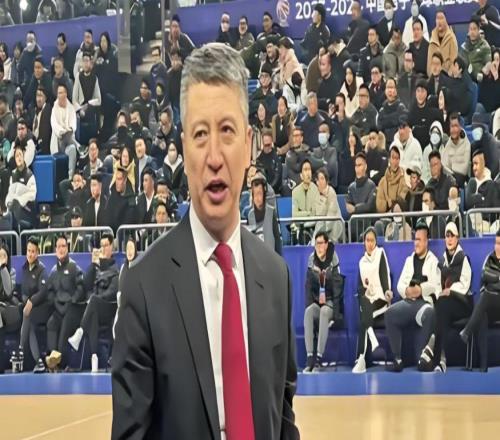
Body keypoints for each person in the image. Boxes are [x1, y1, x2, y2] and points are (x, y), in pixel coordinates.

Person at [112, 43, 299, 439]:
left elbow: (283, 419)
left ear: (248, 144)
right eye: (200, 134)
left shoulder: (276, 278)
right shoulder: (144, 287)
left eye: (227, 131)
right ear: (184, 148)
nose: (214, 156)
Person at [385, 221, 441, 372]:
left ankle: (423, 356)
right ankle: (397, 359)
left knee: (430, 313)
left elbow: (437, 287)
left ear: (426, 241)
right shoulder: (409, 260)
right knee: (390, 313)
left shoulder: (433, 261)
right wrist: (407, 291)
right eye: (415, 239)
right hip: (408, 303)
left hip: (424, 304)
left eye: (419, 240)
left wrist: (420, 290)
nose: (416, 243)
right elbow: (399, 284)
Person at [68, 233, 119, 373]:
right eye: (101, 246)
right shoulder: (96, 268)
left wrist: (96, 299)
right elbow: (86, 285)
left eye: (106, 245)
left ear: (112, 247)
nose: (103, 248)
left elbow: (113, 292)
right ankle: (94, 358)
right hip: (95, 308)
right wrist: (93, 264)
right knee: (93, 316)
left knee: (94, 301)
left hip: (109, 307)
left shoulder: (115, 269)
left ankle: (79, 332)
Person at [433, 222, 473, 372]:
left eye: (452, 236)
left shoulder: (463, 259)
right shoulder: (441, 262)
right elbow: (437, 284)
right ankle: (440, 358)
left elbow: (465, 285)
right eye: (447, 236)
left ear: (457, 238)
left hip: (462, 302)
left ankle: (437, 354)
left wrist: (450, 290)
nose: (449, 239)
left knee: (442, 306)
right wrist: (441, 293)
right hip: (446, 304)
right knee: (441, 305)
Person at [352, 228, 392, 373]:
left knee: (364, 317)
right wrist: (364, 292)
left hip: (380, 299)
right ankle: (362, 357)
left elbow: (384, 275)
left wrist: (387, 291)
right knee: (364, 305)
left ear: (375, 242)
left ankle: (360, 358)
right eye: (367, 240)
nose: (369, 243)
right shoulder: (361, 262)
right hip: (368, 300)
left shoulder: (380, 253)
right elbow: (359, 287)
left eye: (372, 240)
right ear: (364, 242)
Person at [303, 231, 344, 372]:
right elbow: (308, 286)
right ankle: (310, 358)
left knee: (324, 311)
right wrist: (310, 304)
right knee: (309, 312)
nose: (319, 247)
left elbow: (338, 287)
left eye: (321, 243)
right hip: (317, 301)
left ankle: (319, 359)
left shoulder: (333, 258)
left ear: (327, 244)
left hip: (330, 302)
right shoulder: (311, 259)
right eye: (317, 244)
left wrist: (337, 315)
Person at [460, 229, 500, 372]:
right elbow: (484, 276)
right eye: (496, 243)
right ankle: (483, 365)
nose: (497, 247)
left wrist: (493, 280)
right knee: (482, 314)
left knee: (486, 295)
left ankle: (467, 331)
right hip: (491, 303)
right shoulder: (489, 258)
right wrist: (498, 278)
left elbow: (490, 280)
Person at [45, 234, 85, 372]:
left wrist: (72, 301)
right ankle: (53, 360)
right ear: (55, 250)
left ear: (67, 248)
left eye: (63, 246)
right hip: (58, 308)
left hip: (72, 309)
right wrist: (56, 304)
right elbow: (50, 292)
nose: (61, 249)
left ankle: (60, 363)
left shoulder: (74, 267)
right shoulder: (53, 271)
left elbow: (81, 288)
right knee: (51, 323)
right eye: (59, 247)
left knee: (65, 325)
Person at [18, 237, 50, 373]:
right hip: (30, 310)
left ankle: (20, 348)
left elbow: (43, 292)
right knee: (29, 323)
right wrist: (25, 300)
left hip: (42, 308)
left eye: (33, 251)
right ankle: (39, 362)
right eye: (28, 251)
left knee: (28, 315)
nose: (30, 254)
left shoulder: (42, 269)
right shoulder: (24, 268)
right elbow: (22, 290)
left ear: (37, 253)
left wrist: (31, 301)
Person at [465, 150, 498, 234]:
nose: (474, 168)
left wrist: (478, 200)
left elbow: (495, 208)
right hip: (474, 225)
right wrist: (481, 198)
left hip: (491, 224)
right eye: (473, 164)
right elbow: (467, 203)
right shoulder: (471, 182)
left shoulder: (492, 184)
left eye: (476, 164)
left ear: (483, 164)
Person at [247, 175, 282, 255]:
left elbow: (277, 239)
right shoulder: (250, 215)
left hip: (270, 256)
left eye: (259, 194)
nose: (257, 198)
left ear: (264, 194)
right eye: (255, 194)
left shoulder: (271, 212)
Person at [346, 152, 377, 240]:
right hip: (354, 225)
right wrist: (354, 208)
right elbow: (348, 207)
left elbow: (369, 206)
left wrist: (355, 209)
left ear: (365, 166)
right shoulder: (351, 187)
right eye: (356, 166)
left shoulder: (372, 185)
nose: (357, 168)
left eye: (360, 165)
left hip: (368, 224)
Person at [73, 51, 102, 143]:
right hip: (80, 111)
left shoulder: (94, 78)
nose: (85, 63)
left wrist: (88, 104)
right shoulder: (78, 77)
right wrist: (80, 109)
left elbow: (98, 100)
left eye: (87, 61)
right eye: (84, 61)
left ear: (90, 63)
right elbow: (74, 99)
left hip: (91, 110)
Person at [5, 145, 36, 229]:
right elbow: (10, 193)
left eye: (20, 155)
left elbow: (32, 195)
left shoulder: (30, 175)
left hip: (27, 209)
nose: (18, 158)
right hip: (14, 208)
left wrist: (20, 200)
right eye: (16, 156)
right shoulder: (13, 175)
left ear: (23, 156)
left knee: (16, 204)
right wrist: (8, 202)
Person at [50, 84, 77, 178]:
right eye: (59, 93)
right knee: (66, 137)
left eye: (62, 92)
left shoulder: (71, 108)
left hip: (68, 142)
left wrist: (69, 129)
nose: (60, 95)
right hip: (59, 142)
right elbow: (54, 125)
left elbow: (73, 124)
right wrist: (62, 131)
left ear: (66, 94)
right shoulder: (54, 109)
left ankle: (70, 177)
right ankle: (80, 147)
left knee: (72, 148)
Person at [409, 79, 443, 150]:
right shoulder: (411, 113)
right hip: (415, 149)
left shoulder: (433, 113)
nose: (420, 94)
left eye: (422, 91)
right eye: (418, 91)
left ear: (427, 93)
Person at [376, 145, 409, 214]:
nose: (395, 161)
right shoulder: (382, 181)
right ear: (389, 159)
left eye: (397, 158)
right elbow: (379, 206)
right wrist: (388, 203)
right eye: (393, 158)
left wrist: (392, 204)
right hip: (384, 216)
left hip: (399, 215)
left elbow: (402, 200)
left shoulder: (404, 180)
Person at [313, 167, 343, 243]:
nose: (320, 181)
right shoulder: (316, 194)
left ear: (326, 180)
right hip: (321, 224)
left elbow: (331, 214)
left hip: (334, 225)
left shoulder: (331, 192)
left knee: (320, 227)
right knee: (318, 225)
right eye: (318, 179)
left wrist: (324, 231)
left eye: (322, 179)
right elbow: (317, 213)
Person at [440, 114, 471, 188]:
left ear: (460, 127)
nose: (453, 129)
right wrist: (451, 172)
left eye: (456, 126)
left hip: (462, 180)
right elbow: (443, 165)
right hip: (449, 178)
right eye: (452, 126)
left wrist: (452, 167)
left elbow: (464, 169)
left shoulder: (466, 144)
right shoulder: (448, 144)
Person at [427, 10, 458, 77]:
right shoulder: (432, 39)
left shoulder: (451, 38)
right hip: (434, 77)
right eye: (437, 18)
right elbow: (429, 63)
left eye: (441, 18)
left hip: (447, 77)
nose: (439, 21)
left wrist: (448, 78)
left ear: (446, 20)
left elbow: (454, 61)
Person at [376, 77, 407, 145]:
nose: (390, 90)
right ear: (385, 91)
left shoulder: (401, 108)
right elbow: (379, 129)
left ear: (396, 90)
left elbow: (403, 128)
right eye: (388, 87)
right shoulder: (381, 110)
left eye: (392, 87)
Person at [461, 17, 492, 83]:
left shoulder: (484, 45)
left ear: (478, 30)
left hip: (479, 81)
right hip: (466, 81)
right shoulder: (464, 46)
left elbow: (488, 64)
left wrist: (482, 73)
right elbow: (459, 63)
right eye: (470, 29)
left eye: (474, 29)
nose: (472, 32)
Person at [471, 112, 500, 178]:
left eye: (478, 128)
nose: (476, 131)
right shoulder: (473, 145)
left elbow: (494, 166)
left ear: (483, 129)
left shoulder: (491, 143)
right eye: (474, 128)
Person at [312, 122, 338, 189]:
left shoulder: (333, 150)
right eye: (320, 132)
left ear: (328, 135)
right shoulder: (315, 151)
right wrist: (323, 163)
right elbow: (313, 168)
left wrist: (319, 164)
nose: (321, 134)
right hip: (317, 186)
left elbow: (331, 168)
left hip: (330, 186)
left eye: (323, 132)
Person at [256, 129, 283, 194]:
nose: (267, 147)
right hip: (261, 191)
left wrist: (267, 189)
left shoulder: (277, 158)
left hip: (273, 192)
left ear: (272, 142)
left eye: (269, 145)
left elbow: (277, 179)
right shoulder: (258, 158)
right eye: (265, 145)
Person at [31, 86, 52, 155]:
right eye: (37, 96)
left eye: (41, 96)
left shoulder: (47, 110)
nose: (38, 99)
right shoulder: (35, 112)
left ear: (45, 98)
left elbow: (46, 134)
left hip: (44, 149)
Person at [272, 96, 293, 161]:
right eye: (278, 106)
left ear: (286, 108)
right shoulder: (274, 118)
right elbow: (273, 140)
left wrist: (281, 150)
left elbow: (290, 142)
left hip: (287, 152)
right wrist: (276, 150)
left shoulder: (290, 119)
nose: (280, 108)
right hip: (276, 151)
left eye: (282, 105)